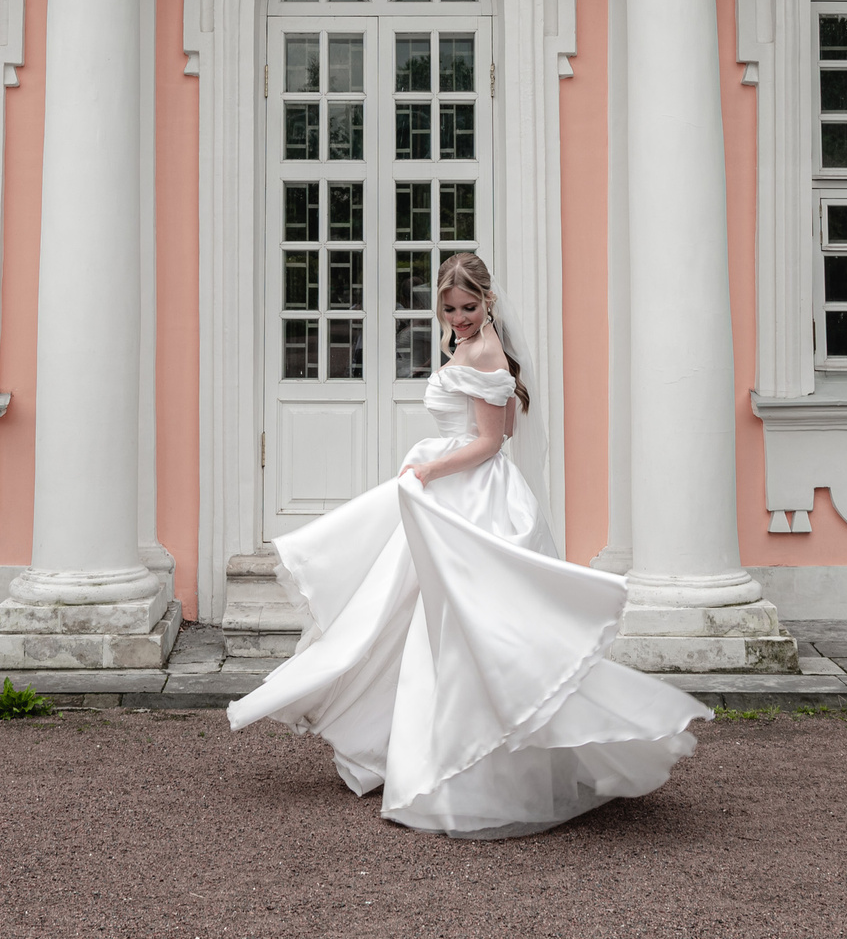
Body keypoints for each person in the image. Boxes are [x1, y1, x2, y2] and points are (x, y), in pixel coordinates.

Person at [227, 253, 708, 838]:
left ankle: (472, 768)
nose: (458, 318)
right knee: (413, 615)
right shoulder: (467, 346)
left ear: (488, 302)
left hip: (474, 497)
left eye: (468, 307)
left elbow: (490, 440)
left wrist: (429, 472)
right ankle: (412, 745)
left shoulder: (485, 352)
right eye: (449, 309)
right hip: (456, 490)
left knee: (471, 627)